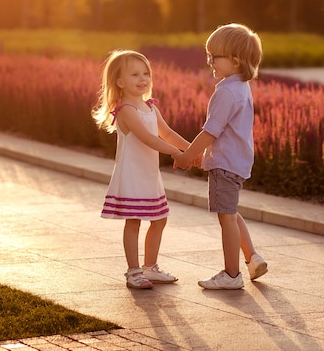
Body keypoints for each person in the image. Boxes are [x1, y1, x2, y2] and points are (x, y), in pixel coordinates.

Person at [173, 23, 268, 290]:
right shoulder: (240, 87)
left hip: (224, 163)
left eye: (214, 56)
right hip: (237, 162)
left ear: (235, 61)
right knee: (231, 212)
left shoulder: (225, 91)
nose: (210, 61)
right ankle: (252, 258)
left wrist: (186, 156)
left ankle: (231, 274)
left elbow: (210, 131)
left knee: (225, 218)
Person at [93, 50, 190, 289]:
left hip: (149, 175)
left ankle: (150, 267)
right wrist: (175, 153)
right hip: (132, 174)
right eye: (135, 74)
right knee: (134, 220)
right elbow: (147, 138)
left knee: (160, 219)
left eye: (146, 73)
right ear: (119, 82)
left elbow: (166, 133)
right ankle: (133, 271)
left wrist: (192, 150)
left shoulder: (149, 107)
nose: (142, 78)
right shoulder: (126, 109)